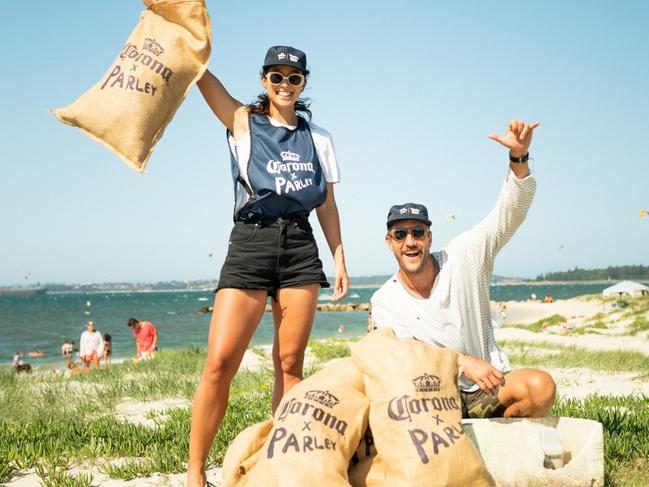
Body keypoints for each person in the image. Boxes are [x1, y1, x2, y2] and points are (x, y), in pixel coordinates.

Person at [187, 45, 349, 486]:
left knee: (290, 363)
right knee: (220, 363)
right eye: (275, 77)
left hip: (300, 246)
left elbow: (328, 207)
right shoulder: (244, 121)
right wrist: (186, 43)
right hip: (251, 242)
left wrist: (338, 256)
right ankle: (196, 472)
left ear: (303, 84)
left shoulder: (320, 138)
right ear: (264, 81)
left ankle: (283, 466)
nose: (284, 85)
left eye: (293, 78)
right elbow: (204, 80)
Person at [371, 120, 556, 419]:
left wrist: (519, 158)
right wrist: (460, 362)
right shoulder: (383, 300)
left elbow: (508, 215)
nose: (410, 242)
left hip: (487, 386)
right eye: (400, 235)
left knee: (540, 387)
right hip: (431, 396)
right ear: (389, 242)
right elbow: (406, 356)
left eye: (417, 232)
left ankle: (499, 440)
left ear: (429, 237)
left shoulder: (465, 255)